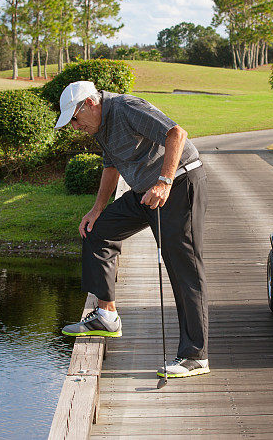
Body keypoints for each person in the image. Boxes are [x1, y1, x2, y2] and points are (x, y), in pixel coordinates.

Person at [58, 80, 209, 378]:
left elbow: (176, 134)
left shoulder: (126, 107)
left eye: (75, 119)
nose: (75, 127)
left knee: (184, 268)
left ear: (90, 103)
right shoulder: (100, 126)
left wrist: (164, 182)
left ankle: (195, 356)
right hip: (144, 192)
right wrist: (97, 209)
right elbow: (111, 166)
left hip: (177, 184)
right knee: (97, 231)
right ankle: (106, 315)